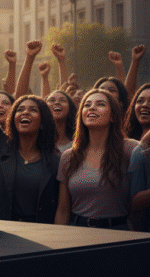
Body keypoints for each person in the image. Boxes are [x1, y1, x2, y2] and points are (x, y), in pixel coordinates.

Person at [0, 28, 60, 222]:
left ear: (42, 122)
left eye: (33, 110)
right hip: (3, 235)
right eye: (20, 110)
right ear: (13, 118)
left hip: (42, 237)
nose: (25, 113)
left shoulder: (55, 161)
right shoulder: (0, 145)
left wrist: (29, 59)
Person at [54, 89, 137, 229]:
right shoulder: (69, 157)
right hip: (77, 231)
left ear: (113, 116)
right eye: (87, 105)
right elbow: (63, 210)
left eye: (100, 104)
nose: (92, 107)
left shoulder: (129, 149)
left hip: (119, 232)